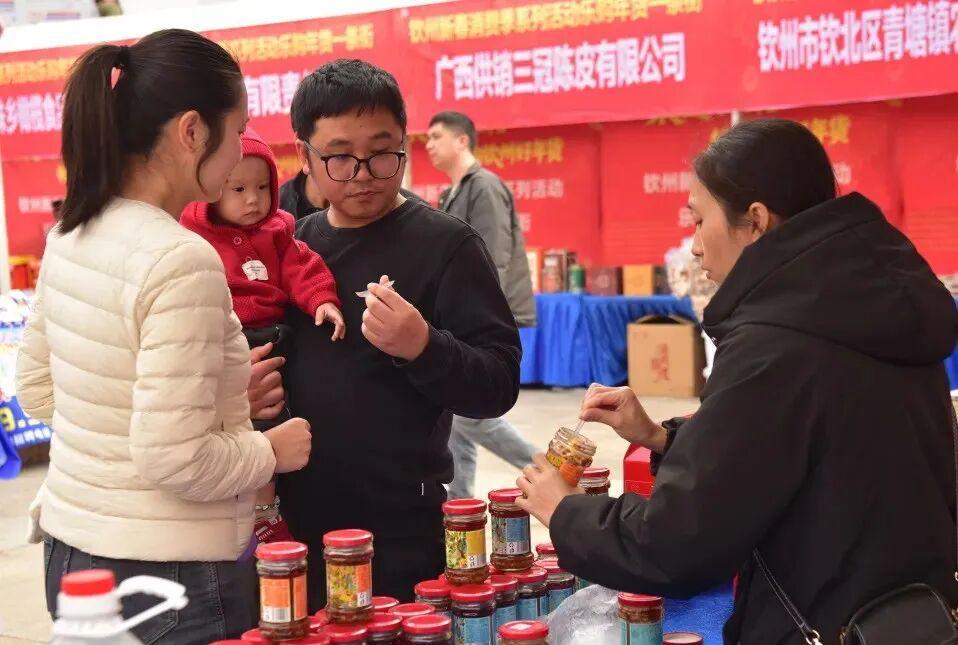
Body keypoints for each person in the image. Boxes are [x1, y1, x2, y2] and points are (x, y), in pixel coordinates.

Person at [515, 119, 958, 644]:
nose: (695, 246)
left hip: (822, 622)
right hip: (915, 615)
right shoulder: (876, 302)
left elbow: (679, 543)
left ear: (756, 221)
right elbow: (821, 449)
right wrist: (661, 438)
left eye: (700, 220)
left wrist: (566, 512)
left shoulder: (775, 340)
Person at [16, 30, 312, 642]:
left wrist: (197, 407)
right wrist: (269, 451)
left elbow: (39, 388)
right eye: (238, 131)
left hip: (71, 553)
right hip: (168, 576)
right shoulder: (181, 259)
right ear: (192, 132)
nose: (242, 152)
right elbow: (173, 457)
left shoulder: (72, 232)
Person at [266, 59, 521, 607]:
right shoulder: (290, 251)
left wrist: (423, 346)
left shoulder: (447, 246)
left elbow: (499, 383)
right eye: (339, 156)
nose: (363, 174)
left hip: (403, 532)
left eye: (382, 153)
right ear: (305, 157)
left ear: (404, 144)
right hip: (298, 529)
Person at [181, 127, 344, 545]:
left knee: (275, 415)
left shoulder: (278, 232)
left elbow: (303, 269)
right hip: (225, 339)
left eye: (262, 187)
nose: (252, 199)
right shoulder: (194, 236)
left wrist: (322, 300)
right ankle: (260, 512)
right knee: (251, 426)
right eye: (238, 189)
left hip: (271, 338)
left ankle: (267, 510)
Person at [426, 111, 537, 500]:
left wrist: (483, 317)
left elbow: (494, 258)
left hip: (480, 317)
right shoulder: (454, 192)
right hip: (462, 315)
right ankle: (459, 500)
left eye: (437, 136)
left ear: (462, 141)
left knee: (474, 416)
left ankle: (549, 469)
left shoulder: (484, 187)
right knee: (457, 414)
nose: (429, 145)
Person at [280, 168, 423, 220]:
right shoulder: (276, 209)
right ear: (305, 154)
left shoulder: (420, 219)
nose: (362, 175)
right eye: (341, 155)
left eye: (379, 150)